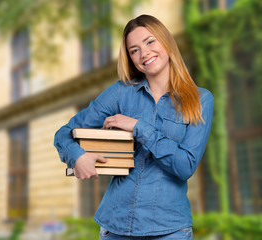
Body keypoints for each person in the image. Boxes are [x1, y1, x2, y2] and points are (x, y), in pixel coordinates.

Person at [54, 14, 214, 239]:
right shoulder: (120, 92)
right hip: (116, 226)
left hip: (169, 230)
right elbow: (64, 133)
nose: (144, 53)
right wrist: (76, 156)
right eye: (134, 50)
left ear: (166, 42)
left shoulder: (200, 99)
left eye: (150, 42)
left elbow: (185, 166)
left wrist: (139, 127)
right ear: (130, 58)